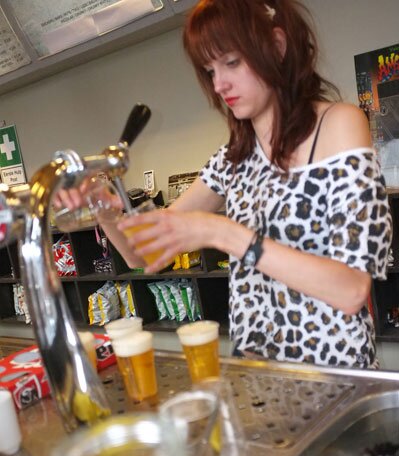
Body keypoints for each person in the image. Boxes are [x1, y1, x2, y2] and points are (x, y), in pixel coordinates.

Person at [58, 0, 392, 368]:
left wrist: (223, 233)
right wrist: (106, 211)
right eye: (209, 69)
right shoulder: (233, 156)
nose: (219, 84)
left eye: (231, 62)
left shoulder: (338, 125)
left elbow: (351, 290)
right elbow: (145, 255)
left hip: (335, 376)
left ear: (277, 47)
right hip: (258, 377)